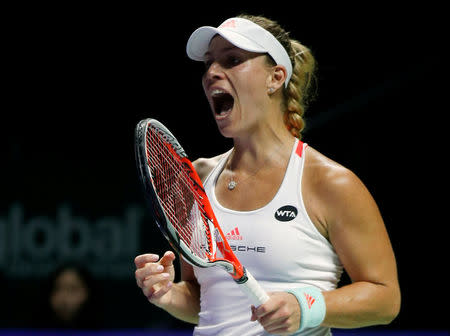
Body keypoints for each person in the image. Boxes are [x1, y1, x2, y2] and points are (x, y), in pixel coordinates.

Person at [135, 14, 400, 335]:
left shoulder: (329, 182)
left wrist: (306, 307)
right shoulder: (198, 177)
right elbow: (206, 300)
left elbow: (385, 300)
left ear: (275, 78)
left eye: (232, 60)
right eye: (208, 64)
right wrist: (168, 293)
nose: (211, 73)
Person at [34, 263, 103, 329]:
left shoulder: (106, 330)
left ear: (88, 292)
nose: (63, 298)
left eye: (72, 289)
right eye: (57, 289)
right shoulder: (34, 329)